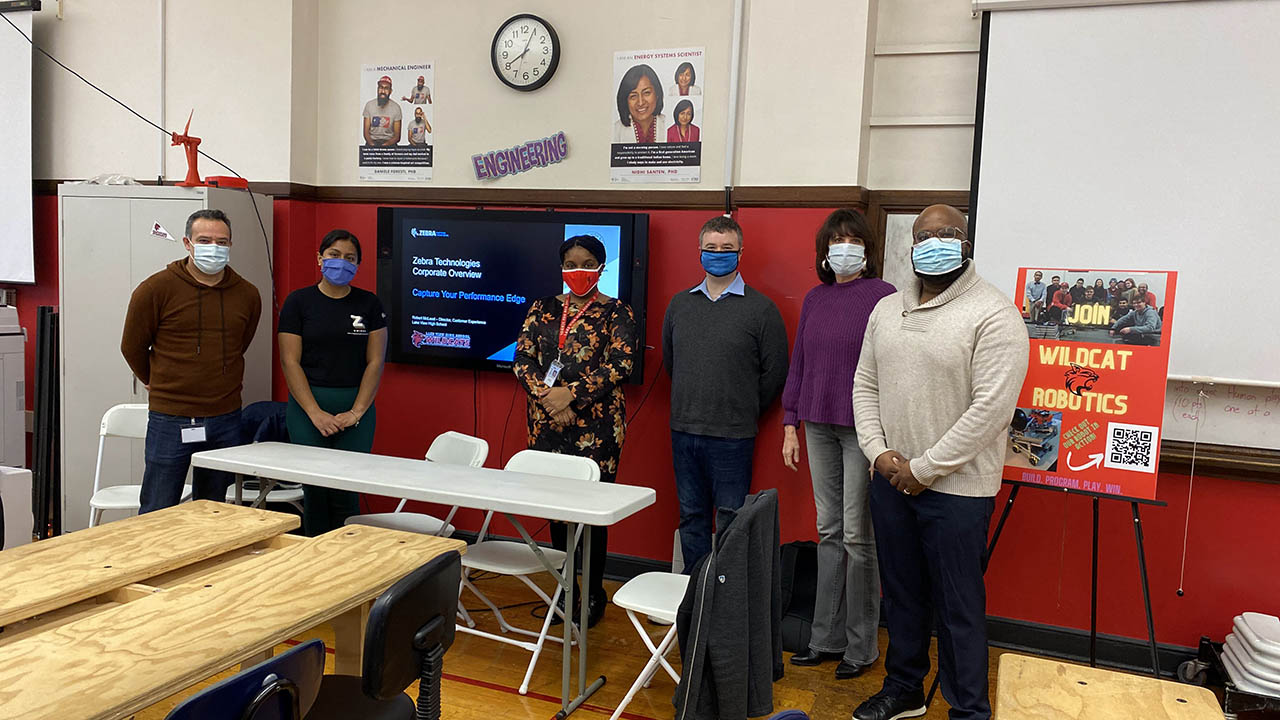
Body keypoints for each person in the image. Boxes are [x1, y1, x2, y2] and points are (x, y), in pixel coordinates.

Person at [851, 204, 1028, 720]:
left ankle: (968, 710)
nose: (933, 242)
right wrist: (879, 453)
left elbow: (991, 411)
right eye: (924, 235)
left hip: (957, 493)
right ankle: (904, 688)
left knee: (958, 610)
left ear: (965, 243)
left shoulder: (995, 314)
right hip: (889, 479)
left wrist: (922, 468)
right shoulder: (887, 308)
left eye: (946, 234)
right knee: (902, 596)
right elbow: (865, 383)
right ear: (911, 245)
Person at [780, 209, 894, 680]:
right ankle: (823, 638)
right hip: (818, 424)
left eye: (853, 240)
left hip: (862, 431)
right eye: (836, 240)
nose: (844, 247)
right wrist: (791, 424)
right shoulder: (815, 298)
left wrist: (881, 442)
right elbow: (800, 362)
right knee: (828, 531)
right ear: (825, 251)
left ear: (867, 249)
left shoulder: (884, 297)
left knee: (857, 537)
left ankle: (861, 646)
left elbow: (892, 370)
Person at [513, 235, 637, 627]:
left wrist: (572, 396)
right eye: (569, 263)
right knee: (556, 511)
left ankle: (595, 591)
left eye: (586, 262)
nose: (576, 270)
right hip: (546, 423)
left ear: (601, 268)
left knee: (590, 514)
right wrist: (551, 400)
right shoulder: (543, 308)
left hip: (597, 429)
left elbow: (621, 365)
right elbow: (523, 358)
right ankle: (567, 590)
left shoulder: (617, 312)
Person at [663, 215, 789, 573]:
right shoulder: (679, 305)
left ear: (740, 253)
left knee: (732, 523)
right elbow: (674, 364)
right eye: (711, 248)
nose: (718, 254)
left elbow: (774, 374)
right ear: (700, 252)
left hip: (733, 437)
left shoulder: (761, 309)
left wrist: (741, 407)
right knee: (691, 518)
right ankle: (694, 597)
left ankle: (725, 603)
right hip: (684, 431)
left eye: (727, 249)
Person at [121, 209, 263, 513]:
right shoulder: (155, 289)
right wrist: (157, 381)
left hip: (225, 417)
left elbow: (240, 345)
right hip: (170, 417)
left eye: (222, 241)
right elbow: (132, 347)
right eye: (205, 240)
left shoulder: (248, 294)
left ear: (231, 245)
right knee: (158, 507)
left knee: (213, 510)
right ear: (187, 243)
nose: (214, 247)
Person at [278, 229, 387, 536]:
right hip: (307, 408)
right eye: (334, 255)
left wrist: (356, 412)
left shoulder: (369, 304)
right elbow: (290, 361)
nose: (341, 263)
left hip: (356, 410)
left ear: (358, 265)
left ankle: (348, 560)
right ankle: (314, 559)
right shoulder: (298, 302)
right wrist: (315, 413)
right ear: (320, 259)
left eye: (350, 258)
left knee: (346, 489)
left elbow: (375, 362)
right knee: (315, 489)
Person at [612, 64, 668, 144]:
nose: (640, 102)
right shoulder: (615, 130)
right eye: (633, 96)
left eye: (646, 93)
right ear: (625, 100)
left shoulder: (670, 124)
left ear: (657, 94)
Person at [362, 75, 402, 146]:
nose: (383, 91)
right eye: (381, 87)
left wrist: (385, 146)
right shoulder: (369, 105)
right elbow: (366, 133)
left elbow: (397, 136)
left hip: (389, 143)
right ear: (377, 89)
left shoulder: (396, 108)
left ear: (390, 91)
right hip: (372, 141)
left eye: (386, 88)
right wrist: (372, 145)